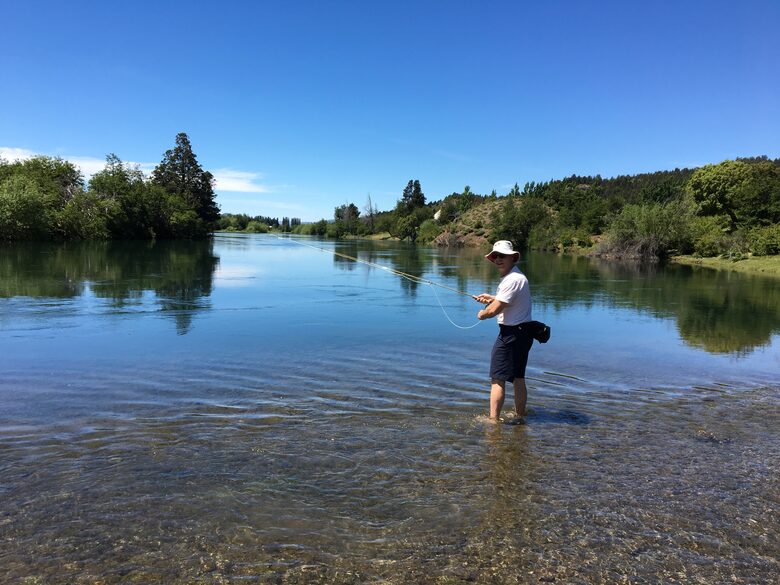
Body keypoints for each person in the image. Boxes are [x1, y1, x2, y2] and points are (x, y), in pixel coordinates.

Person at [474, 240, 533, 423]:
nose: (498, 259)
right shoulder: (516, 277)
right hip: (523, 333)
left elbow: (494, 310)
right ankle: (520, 416)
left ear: (512, 258)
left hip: (511, 335)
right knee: (518, 377)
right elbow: (507, 300)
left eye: (502, 256)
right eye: (495, 256)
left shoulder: (512, 280)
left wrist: (483, 314)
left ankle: (493, 421)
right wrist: (493, 298)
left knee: (497, 378)